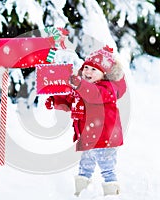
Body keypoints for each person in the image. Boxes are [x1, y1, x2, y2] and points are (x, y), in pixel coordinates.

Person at [45, 45, 127, 197]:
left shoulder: (107, 88)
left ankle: (112, 194)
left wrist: (79, 84)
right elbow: (71, 101)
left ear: (104, 73)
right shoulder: (82, 87)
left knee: (107, 167)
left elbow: (94, 95)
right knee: (85, 166)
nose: (88, 72)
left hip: (105, 138)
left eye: (94, 69)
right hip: (88, 136)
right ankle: (81, 193)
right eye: (86, 67)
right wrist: (55, 101)